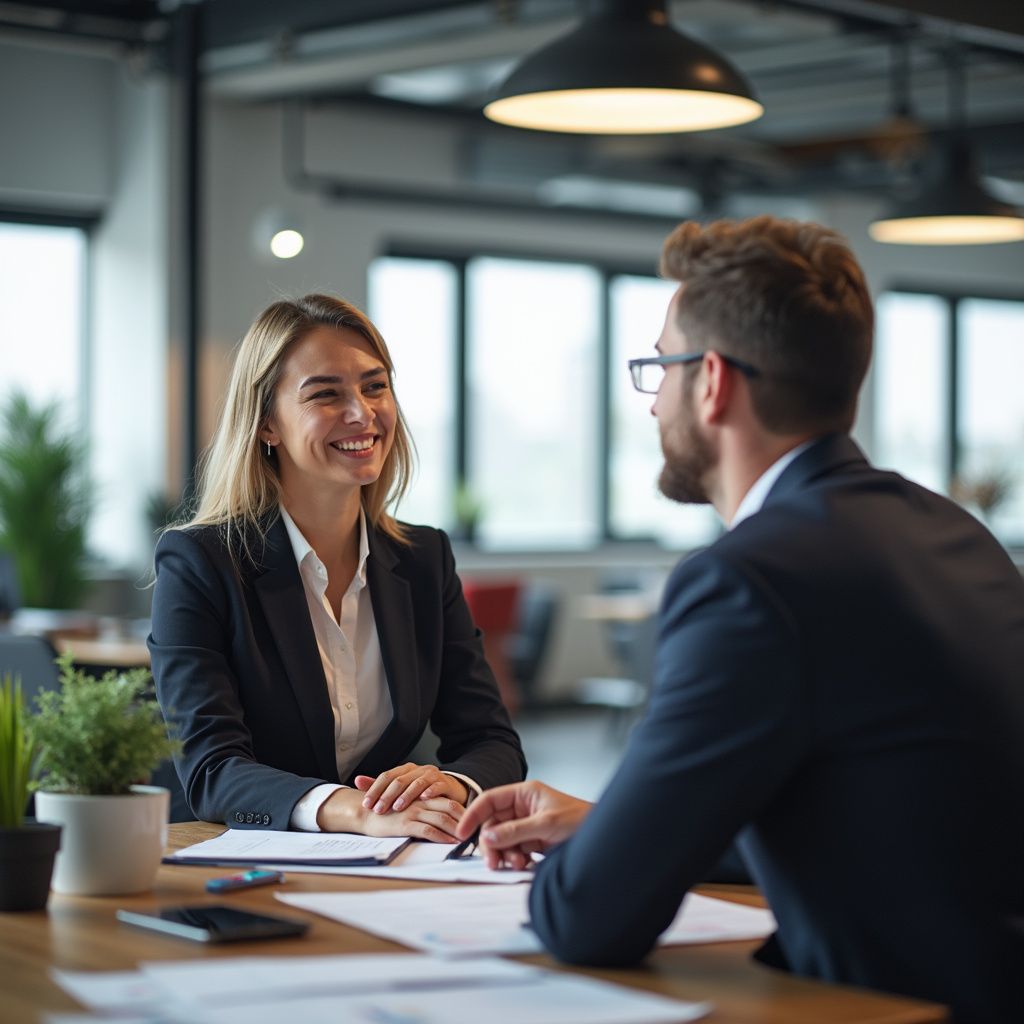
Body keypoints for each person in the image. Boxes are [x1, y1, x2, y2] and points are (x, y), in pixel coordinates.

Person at [459, 217, 1024, 1022]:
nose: (653, 402)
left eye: (660, 366)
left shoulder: (748, 581)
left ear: (713, 381)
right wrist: (615, 824)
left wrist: (611, 854)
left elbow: (586, 920)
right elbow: (881, 810)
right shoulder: (952, 532)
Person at [150, 294, 525, 839]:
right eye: (325, 394)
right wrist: (354, 811)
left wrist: (455, 784)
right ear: (266, 425)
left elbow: (492, 740)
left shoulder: (424, 560)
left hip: (391, 868)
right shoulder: (201, 563)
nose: (362, 412)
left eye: (375, 386)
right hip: (244, 866)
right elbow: (211, 771)